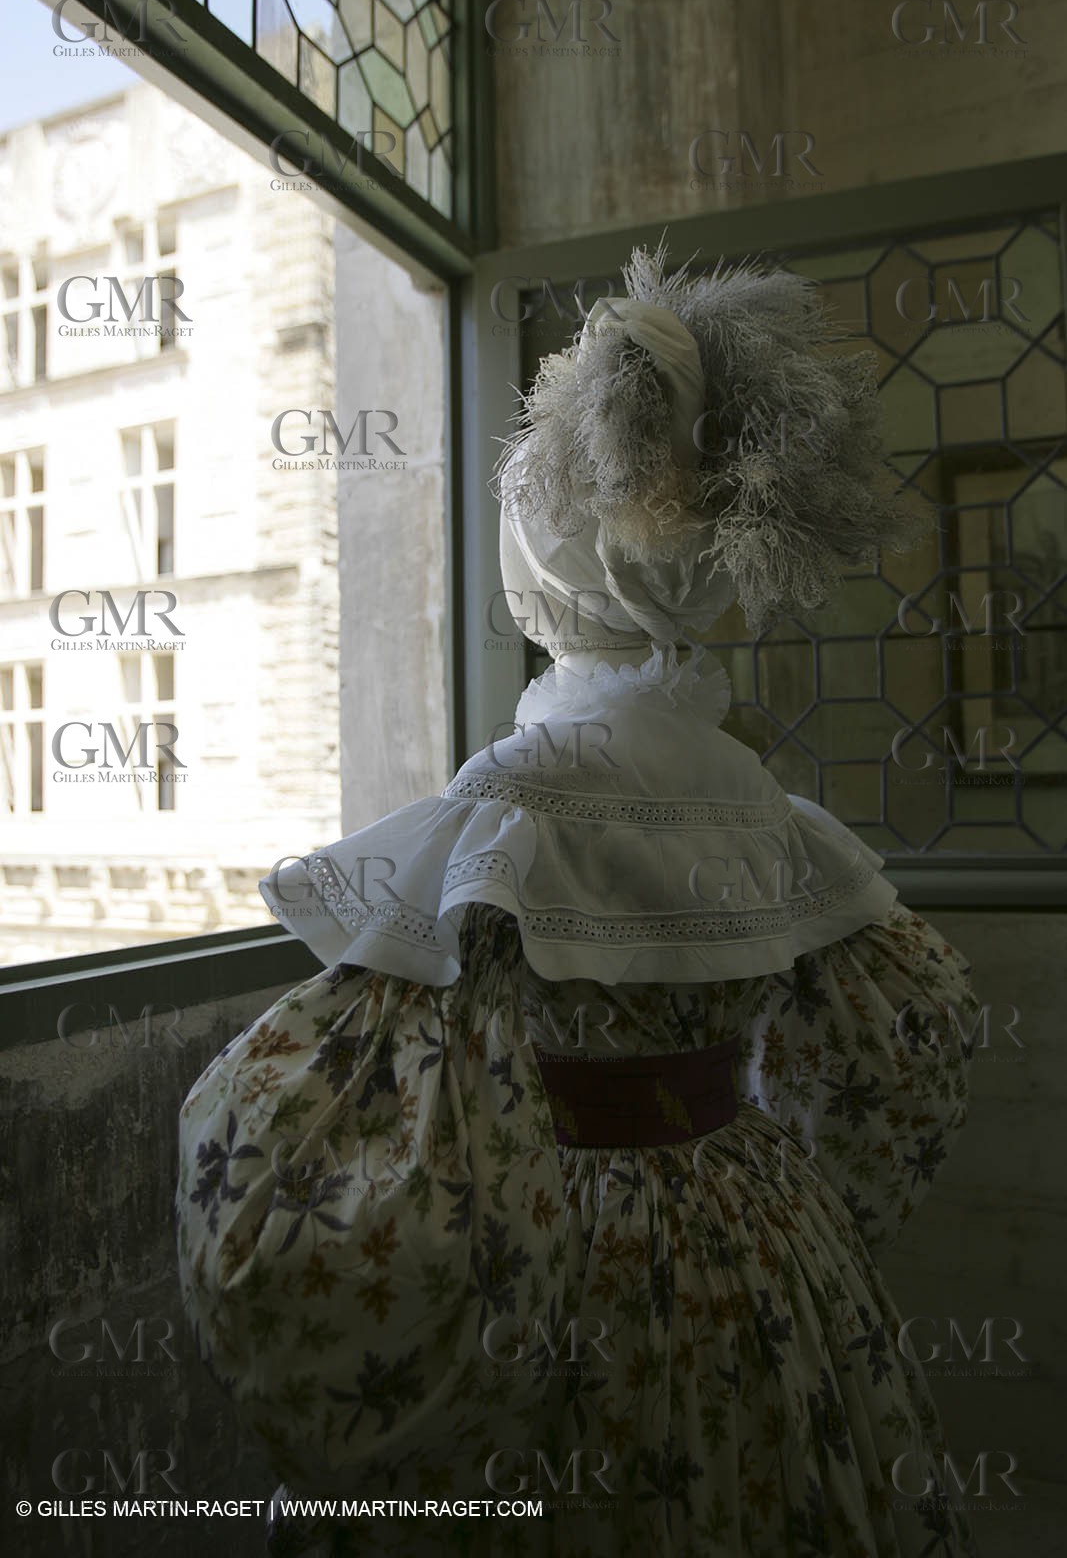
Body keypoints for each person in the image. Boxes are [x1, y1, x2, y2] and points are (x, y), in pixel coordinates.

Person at [176, 244, 977, 1557]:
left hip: (560, 1261)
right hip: (762, 1242)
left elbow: (321, 1112)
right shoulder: (755, 795)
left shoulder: (519, 791)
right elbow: (910, 1046)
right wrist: (799, 1171)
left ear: (544, 567)